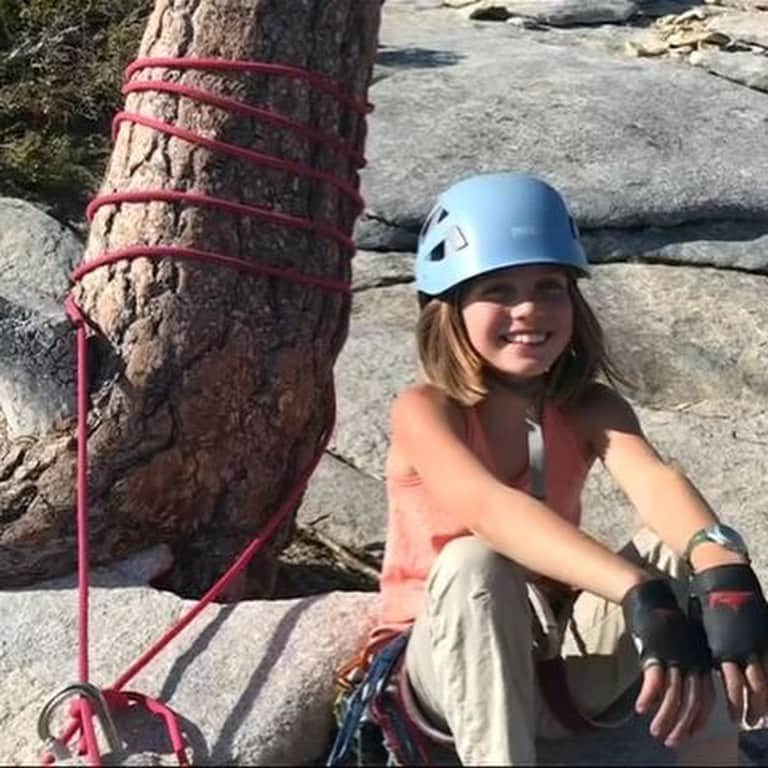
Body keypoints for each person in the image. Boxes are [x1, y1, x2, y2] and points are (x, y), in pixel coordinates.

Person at [367, 172, 768, 765]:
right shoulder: (427, 411)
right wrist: (634, 591)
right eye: (497, 290)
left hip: (557, 670)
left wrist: (723, 568)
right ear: (448, 308)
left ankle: (714, 755)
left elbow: (655, 481)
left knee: (673, 546)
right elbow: (490, 508)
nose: (528, 308)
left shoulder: (588, 407)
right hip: (443, 678)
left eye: (549, 287)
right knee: (476, 559)